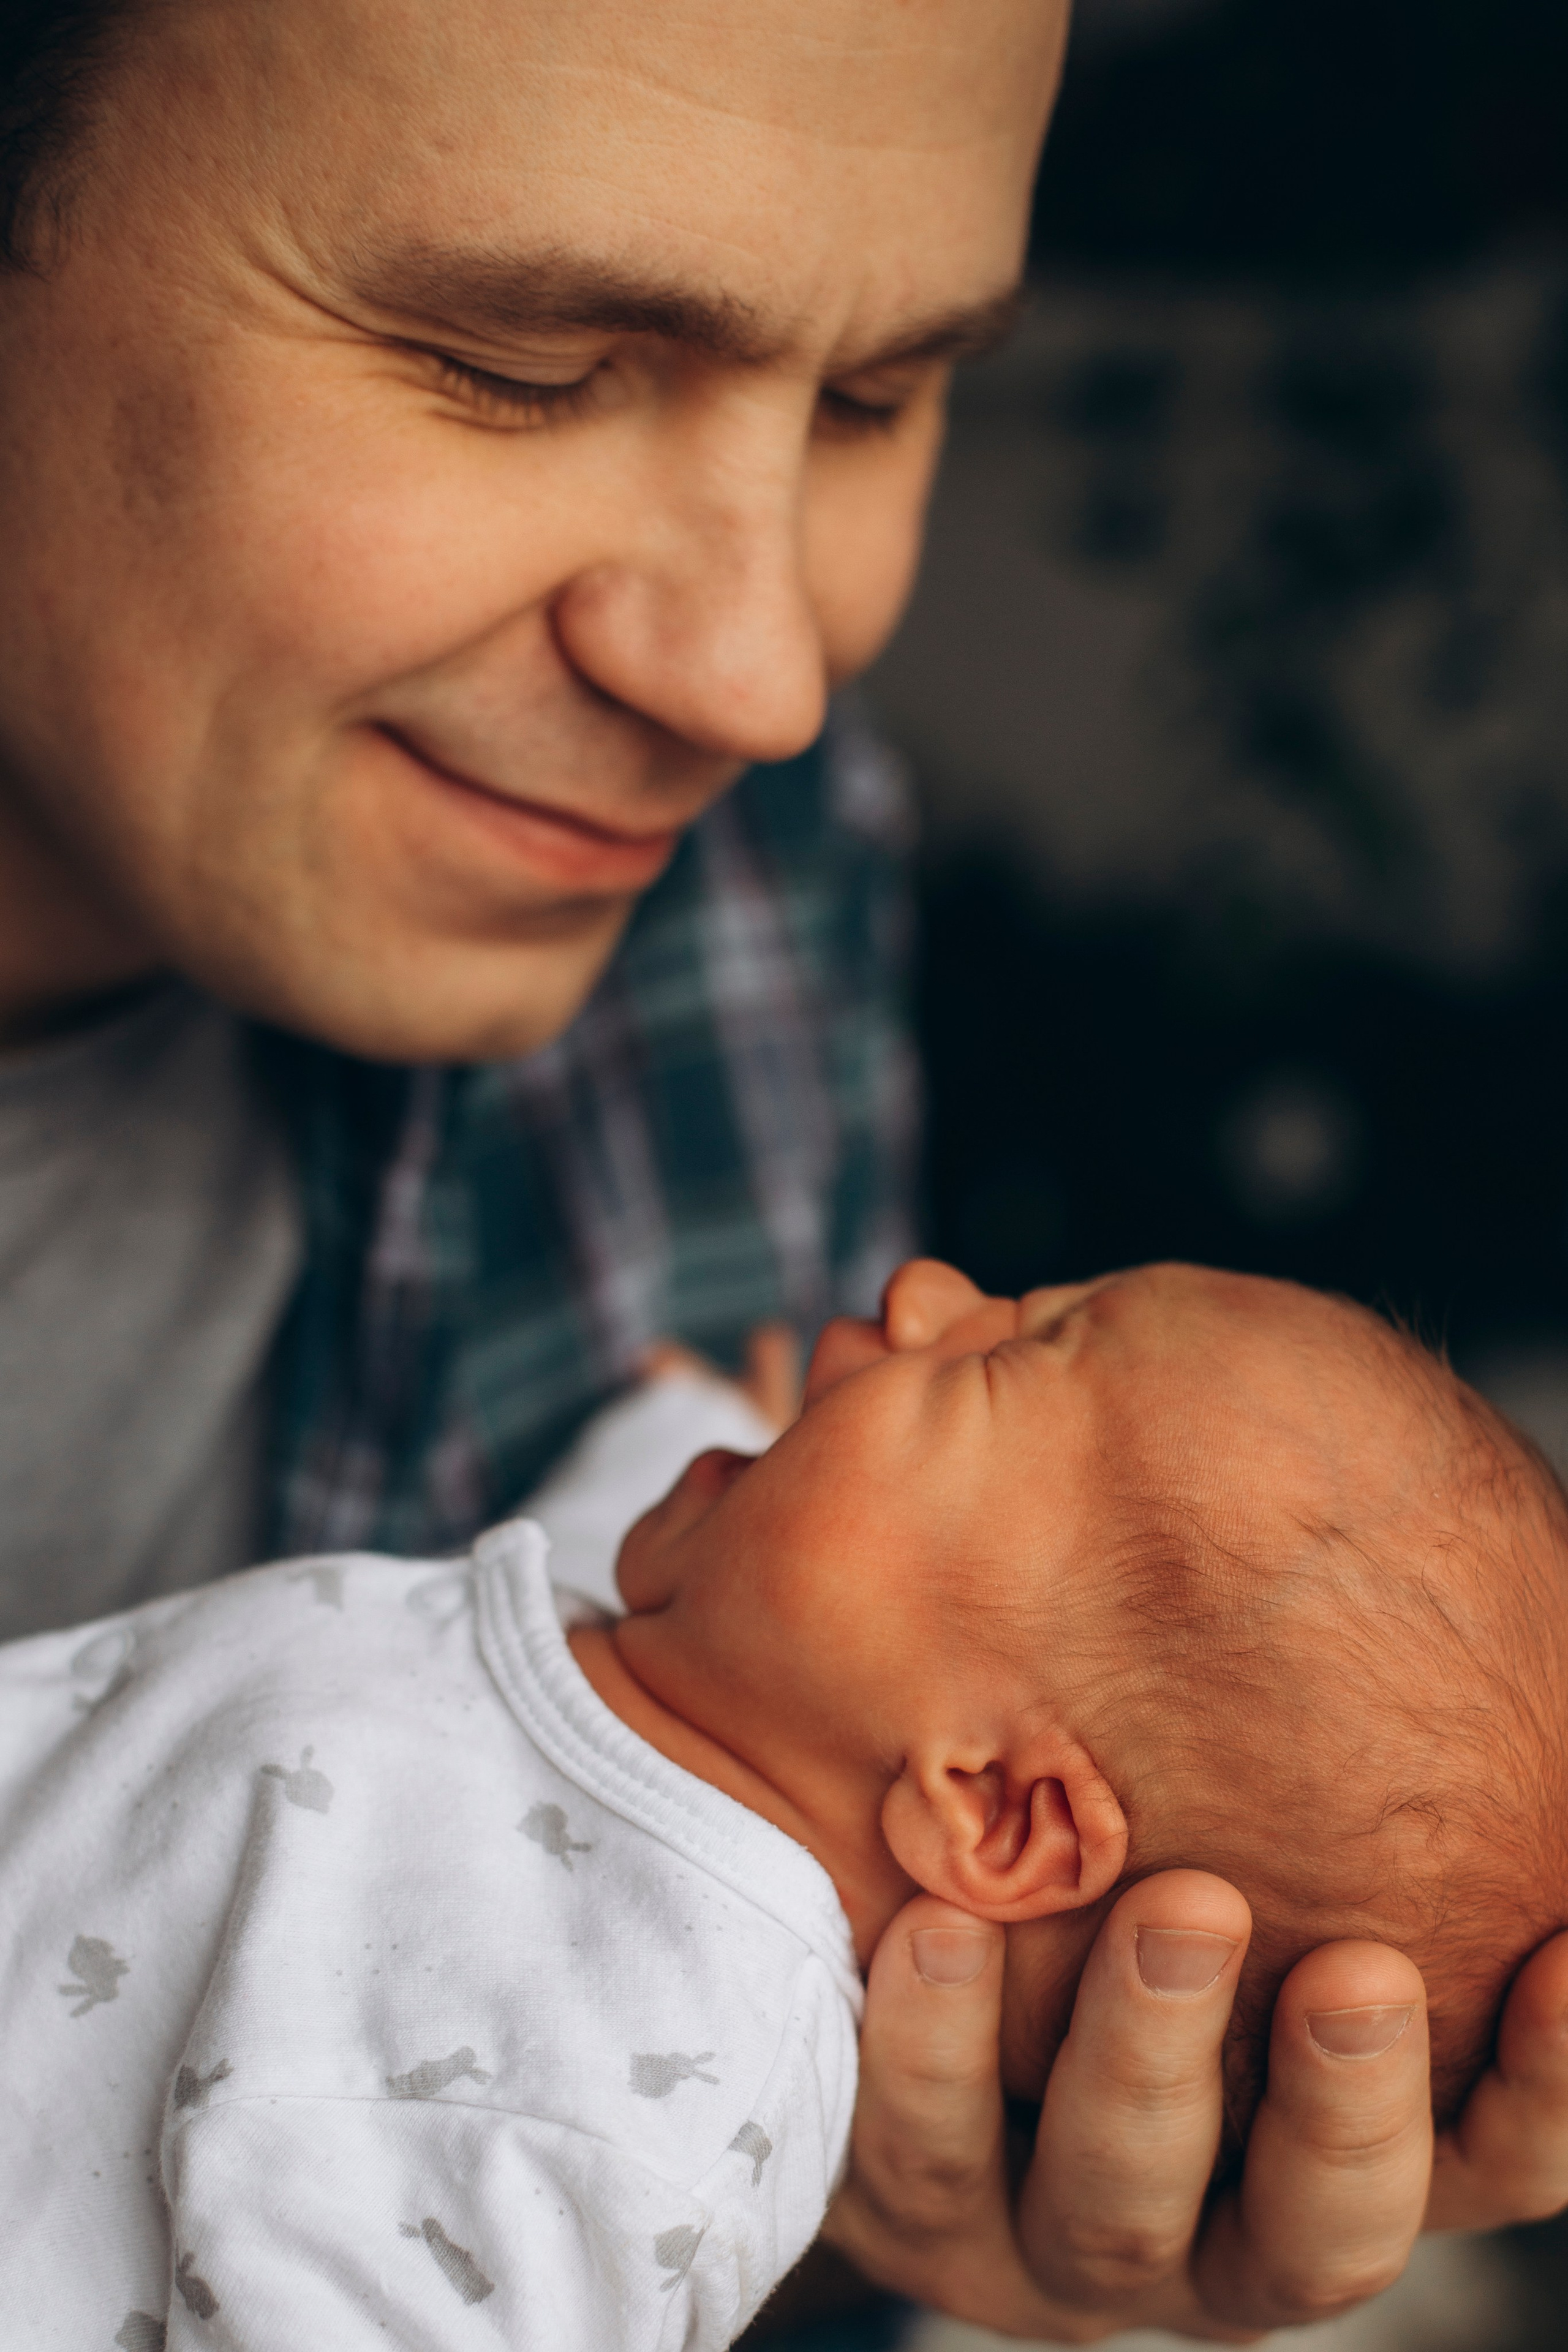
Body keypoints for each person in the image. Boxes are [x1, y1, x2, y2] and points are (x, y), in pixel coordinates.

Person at [2, 1, 1567, 2340]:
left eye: (875, 399)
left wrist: (846, 2179)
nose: (761, 683)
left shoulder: (713, 886)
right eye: (521, 366)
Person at [6, 1253, 1567, 2348]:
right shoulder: (650, 1722)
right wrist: (695, 1436)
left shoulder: (622, 2075)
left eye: (1001, 1359)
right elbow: (512, 1685)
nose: (919, 1293)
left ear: (996, 1809)